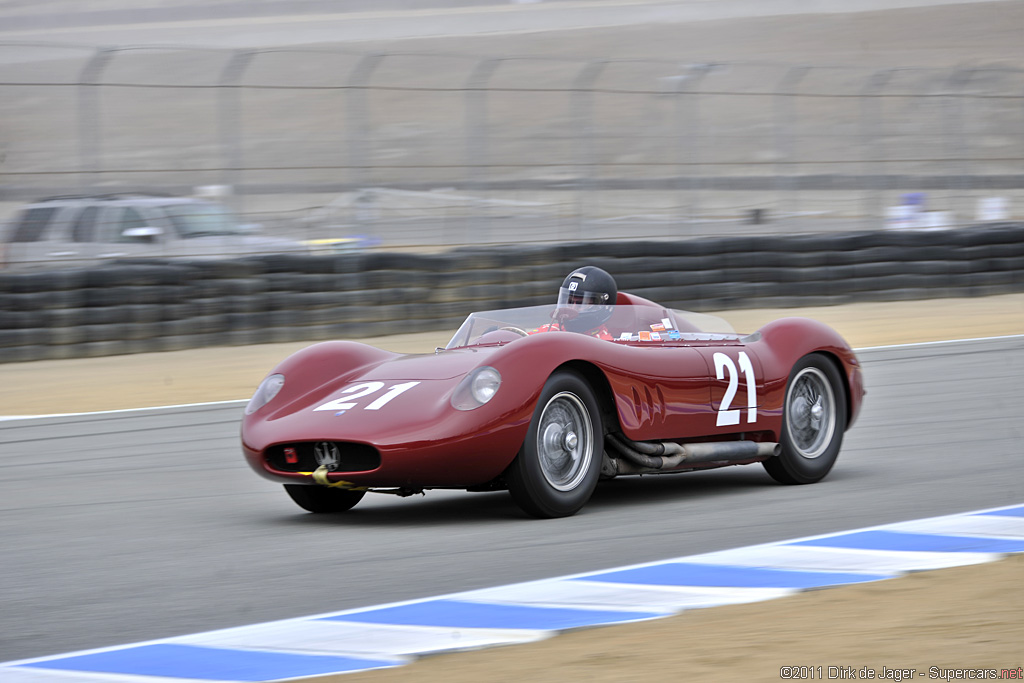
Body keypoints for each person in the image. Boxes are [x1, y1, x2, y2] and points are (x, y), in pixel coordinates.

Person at [545, 266, 618, 339]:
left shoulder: (604, 344)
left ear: (603, 307)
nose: (572, 308)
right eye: (570, 302)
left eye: (580, 303)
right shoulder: (549, 330)